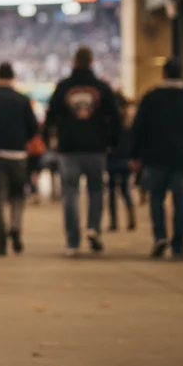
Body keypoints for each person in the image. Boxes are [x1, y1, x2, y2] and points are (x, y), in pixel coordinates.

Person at [44, 46, 120, 257]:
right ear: (92, 61)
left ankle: (72, 241)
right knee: (96, 190)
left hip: (69, 148)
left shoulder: (64, 87)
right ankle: (93, 228)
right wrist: (112, 143)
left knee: (70, 194)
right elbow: (115, 118)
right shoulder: (102, 87)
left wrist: (50, 140)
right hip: (96, 148)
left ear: (74, 61)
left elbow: (50, 116)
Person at [130, 58, 183, 260]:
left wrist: (135, 154)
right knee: (180, 202)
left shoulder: (151, 98)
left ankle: (160, 237)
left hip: (156, 157)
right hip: (182, 157)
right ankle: (179, 245)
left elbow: (139, 128)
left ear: (163, 74)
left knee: (157, 199)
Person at [0, 62, 39, 256]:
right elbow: (34, 128)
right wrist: (20, 141)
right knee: (17, 195)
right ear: (13, 78)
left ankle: (1, 242)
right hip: (18, 155)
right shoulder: (23, 100)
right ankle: (16, 226)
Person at [106, 93, 136, 233]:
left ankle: (126, 219)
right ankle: (114, 221)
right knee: (115, 191)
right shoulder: (127, 123)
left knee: (123, 190)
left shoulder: (118, 123)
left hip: (121, 159)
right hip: (115, 159)